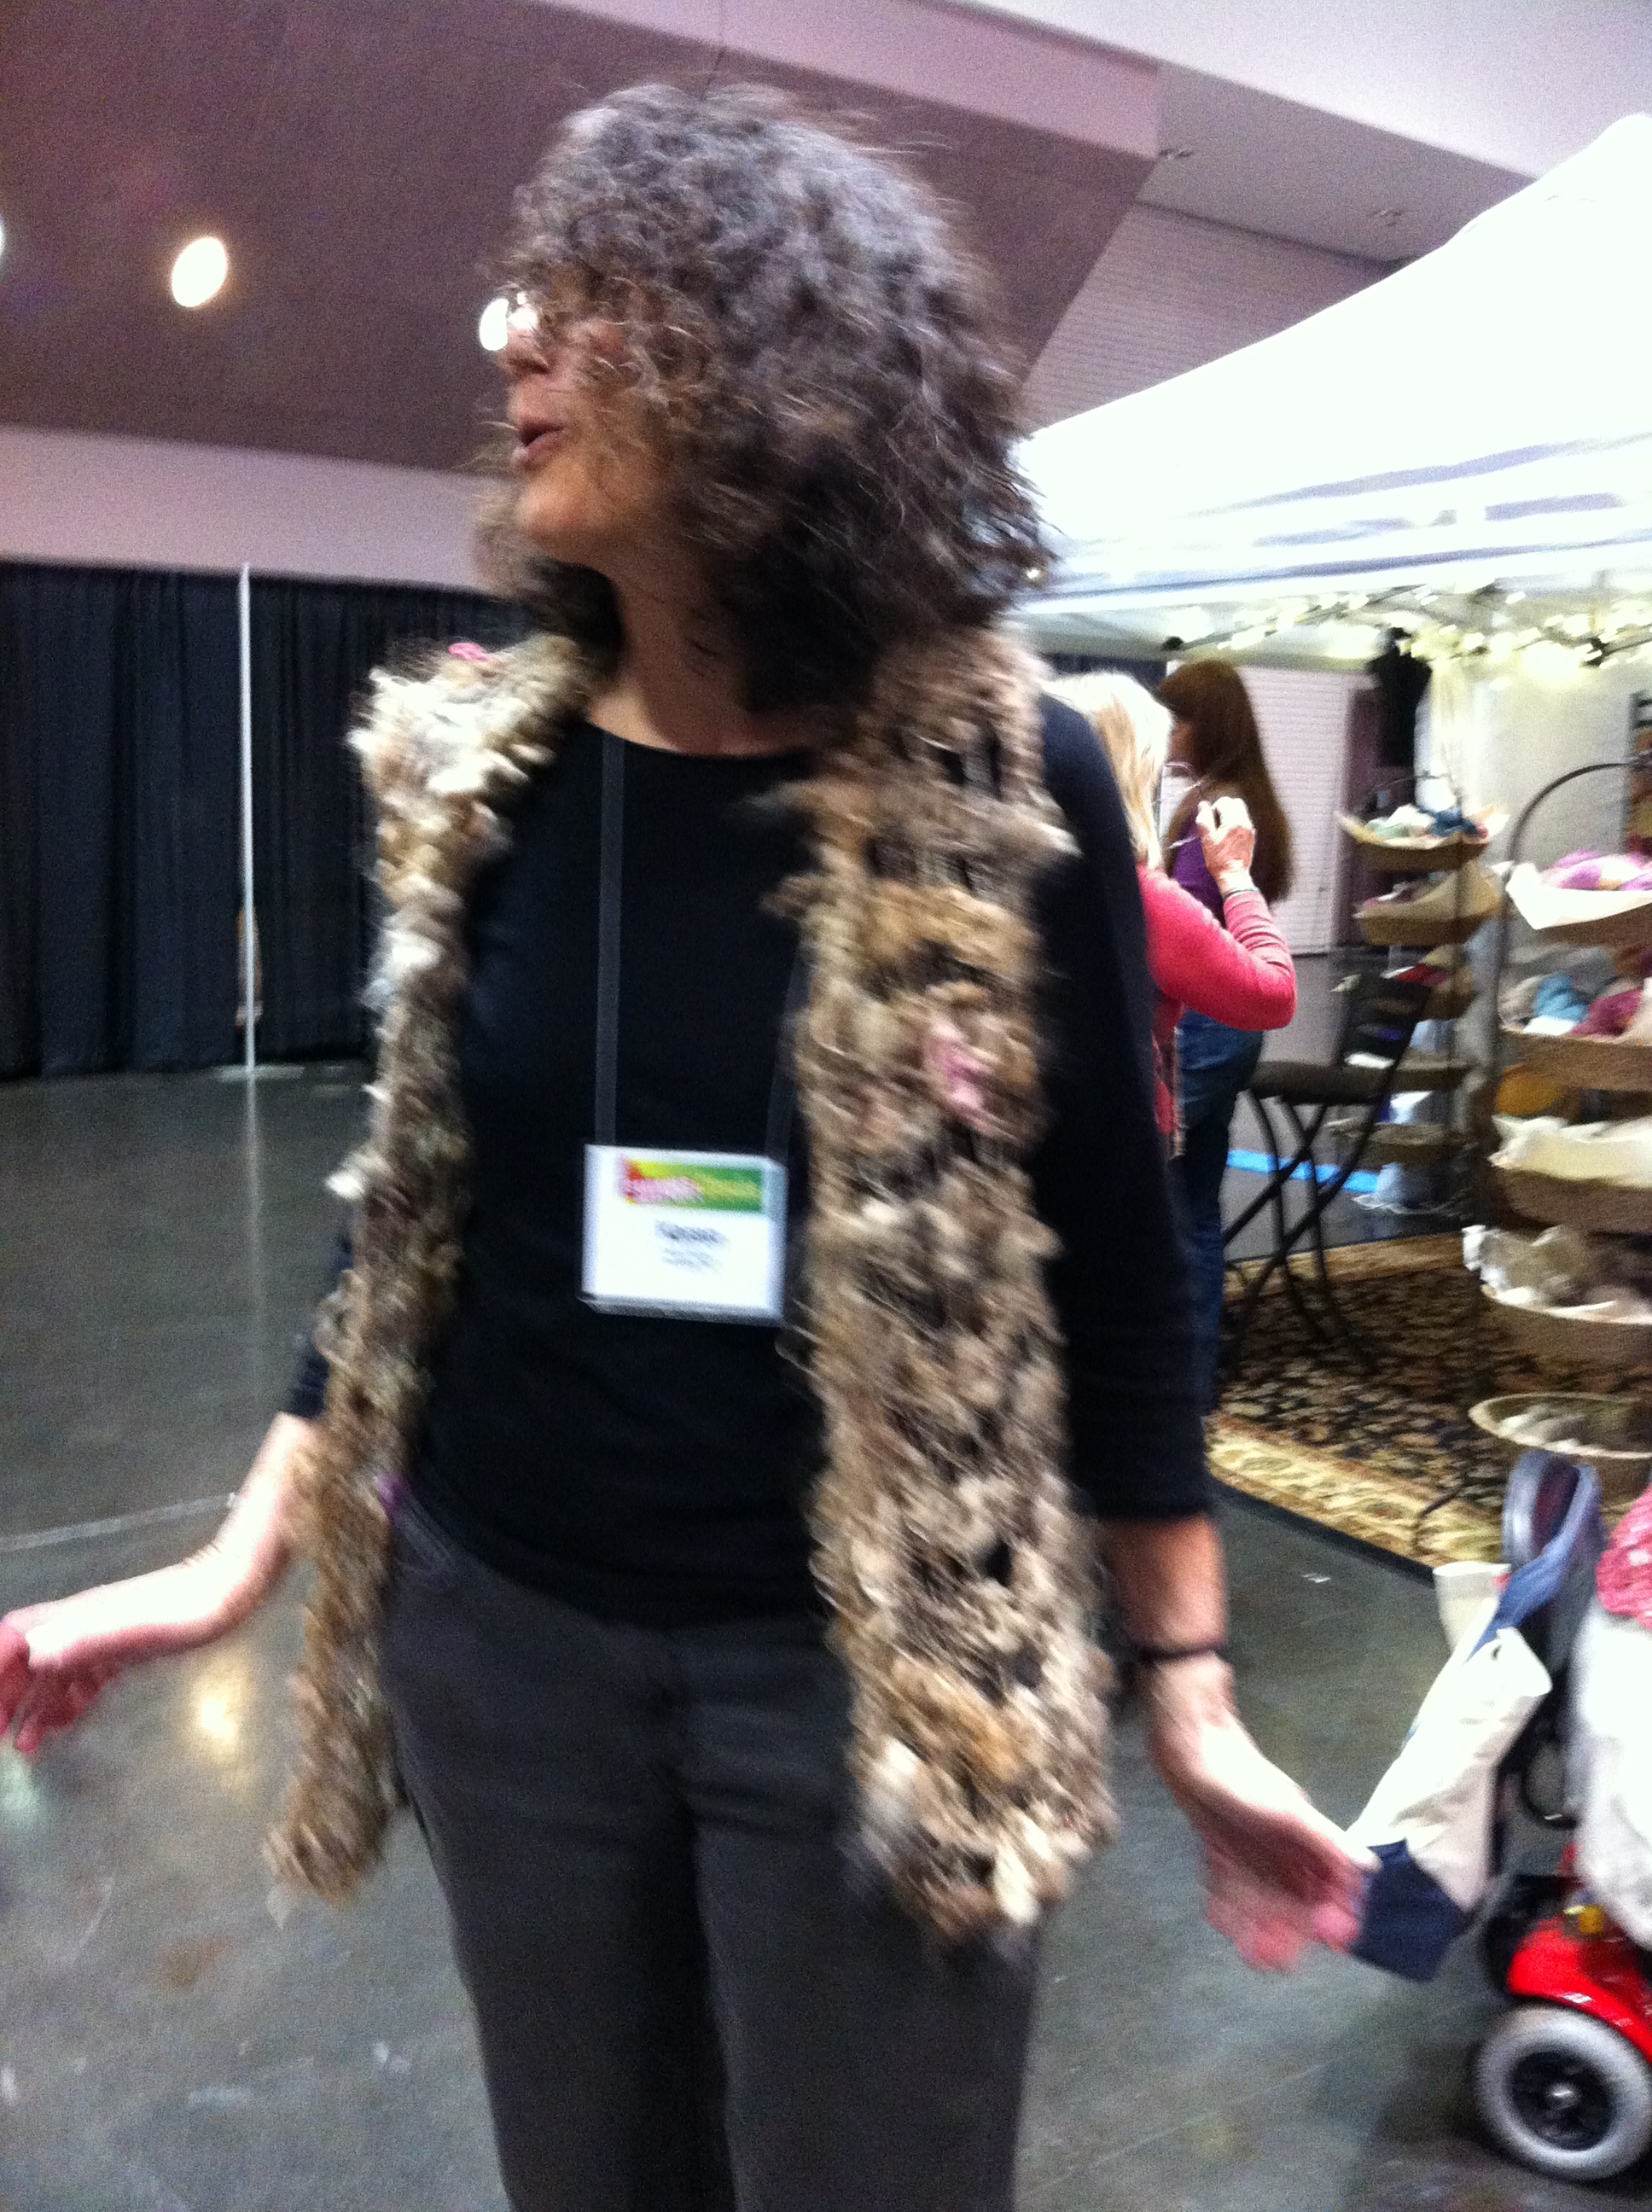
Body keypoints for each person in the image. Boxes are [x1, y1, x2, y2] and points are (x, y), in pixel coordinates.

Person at [0, 87, 1368, 2212]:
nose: (517, 349)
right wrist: (233, 1560)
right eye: (519, 303)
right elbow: (408, 1224)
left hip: (870, 1683)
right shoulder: (482, 773)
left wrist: (1182, 1687)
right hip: (506, 1656)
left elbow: (1116, 1265)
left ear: (768, 361)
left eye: (588, 301)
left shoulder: (999, 779)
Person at [1048, 671, 1295, 1146]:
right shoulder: (1140, 898)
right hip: (1128, 1124)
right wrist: (1236, 878)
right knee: (1196, 1169)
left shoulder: (1015, 881)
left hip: (1057, 1133)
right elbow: (1274, 994)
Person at [1157, 660, 1297, 1408]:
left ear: (1206, 725)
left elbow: (1182, 920)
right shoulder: (1242, 799)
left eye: (1176, 720)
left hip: (1203, 1020)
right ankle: (1193, 1377)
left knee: (1164, 1197)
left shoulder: (1214, 807)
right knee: (1197, 1206)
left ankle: (1174, 1379)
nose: (1167, 735)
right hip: (1228, 1021)